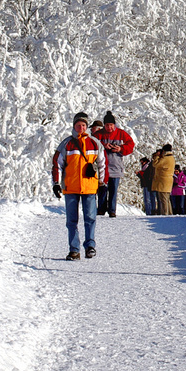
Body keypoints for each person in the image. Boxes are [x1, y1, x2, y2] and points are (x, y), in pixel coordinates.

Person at [51, 112, 107, 261]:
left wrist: (102, 183)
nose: (81, 128)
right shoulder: (67, 144)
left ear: (86, 126)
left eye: (83, 125)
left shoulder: (95, 143)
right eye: (78, 125)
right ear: (74, 126)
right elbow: (57, 164)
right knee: (71, 221)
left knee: (90, 217)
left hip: (89, 187)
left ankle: (90, 246)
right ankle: (74, 250)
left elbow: (102, 164)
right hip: (70, 187)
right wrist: (56, 183)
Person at [93, 111, 135, 218]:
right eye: (107, 125)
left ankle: (112, 210)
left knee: (113, 190)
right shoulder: (98, 135)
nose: (109, 128)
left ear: (114, 125)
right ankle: (101, 209)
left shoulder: (121, 133)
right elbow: (91, 144)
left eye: (111, 125)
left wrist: (121, 148)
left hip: (116, 166)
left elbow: (131, 145)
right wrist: (103, 146)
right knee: (102, 189)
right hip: (102, 167)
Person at [150, 145, 176, 215]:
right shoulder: (171, 158)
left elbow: (155, 164)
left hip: (163, 180)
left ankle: (165, 214)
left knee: (163, 199)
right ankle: (170, 213)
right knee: (167, 199)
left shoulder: (165, 158)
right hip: (168, 180)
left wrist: (157, 156)